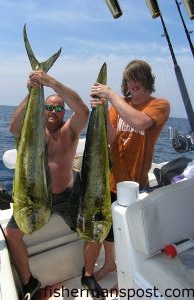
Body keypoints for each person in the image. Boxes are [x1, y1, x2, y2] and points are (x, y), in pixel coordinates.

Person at [82, 59, 170, 297]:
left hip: (134, 184)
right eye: (130, 84)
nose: (133, 89)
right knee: (105, 230)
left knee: (128, 234)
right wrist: (100, 109)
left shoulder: (159, 105)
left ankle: (126, 274)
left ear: (147, 83)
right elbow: (110, 138)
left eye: (138, 84)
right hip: (109, 180)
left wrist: (110, 95)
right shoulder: (118, 106)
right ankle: (104, 266)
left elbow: (139, 122)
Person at [4, 70, 89, 299]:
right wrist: (32, 91)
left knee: (91, 229)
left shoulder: (70, 130)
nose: (53, 111)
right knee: (11, 235)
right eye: (49, 107)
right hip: (35, 199)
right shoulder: (34, 132)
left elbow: (83, 110)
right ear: (42, 110)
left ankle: (88, 272)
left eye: (58, 108)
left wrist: (51, 83)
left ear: (63, 112)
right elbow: (14, 127)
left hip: (68, 195)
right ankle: (28, 282)